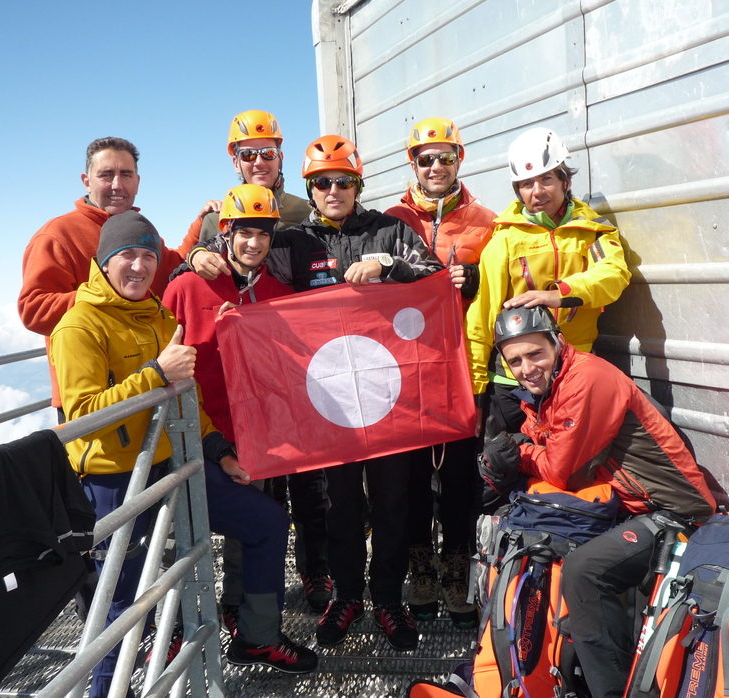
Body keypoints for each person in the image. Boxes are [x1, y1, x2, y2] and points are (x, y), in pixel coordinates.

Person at [50, 211, 317, 697]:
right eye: (126, 255)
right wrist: (156, 372)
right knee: (121, 598)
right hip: (115, 481)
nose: (138, 266)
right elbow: (83, 416)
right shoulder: (78, 326)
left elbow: (184, 396)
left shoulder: (155, 314)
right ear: (104, 262)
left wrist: (220, 451)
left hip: (177, 463)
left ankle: (256, 638)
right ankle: (105, 691)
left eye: (148, 256)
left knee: (266, 523)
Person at [478, 306, 718, 698]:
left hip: (673, 511)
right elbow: (542, 439)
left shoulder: (585, 378)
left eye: (535, 353)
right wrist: (515, 449)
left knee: (582, 570)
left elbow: (560, 468)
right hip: (629, 504)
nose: (527, 368)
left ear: (557, 342)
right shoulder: (552, 386)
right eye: (515, 361)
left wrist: (518, 454)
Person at [264, 134, 442, 653]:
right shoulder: (291, 241)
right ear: (310, 189)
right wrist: (197, 262)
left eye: (343, 181)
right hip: (328, 400)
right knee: (338, 505)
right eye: (322, 183)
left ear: (358, 185)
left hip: (388, 395)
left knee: (392, 502)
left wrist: (390, 267)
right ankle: (347, 595)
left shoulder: (390, 230)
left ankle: (388, 597)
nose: (333, 189)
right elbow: (242, 273)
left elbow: (434, 278)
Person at [162, 184, 331, 631]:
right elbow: (161, 354)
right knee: (184, 532)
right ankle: (180, 624)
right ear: (227, 233)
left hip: (252, 432)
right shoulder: (187, 287)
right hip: (195, 431)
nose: (253, 243)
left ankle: (236, 608)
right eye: (244, 233)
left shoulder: (276, 290)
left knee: (247, 526)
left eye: (263, 234)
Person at [385, 117, 495, 627]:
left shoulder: (487, 223)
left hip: (459, 371)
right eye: (424, 158)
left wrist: (475, 280)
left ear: (459, 159)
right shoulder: (389, 219)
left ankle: (457, 573)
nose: (434, 167)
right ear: (412, 163)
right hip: (403, 375)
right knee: (406, 481)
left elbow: (503, 292)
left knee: (458, 480)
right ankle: (420, 570)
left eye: (444, 157)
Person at [465, 127, 631, 436]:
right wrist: (476, 391)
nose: (537, 191)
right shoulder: (505, 240)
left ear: (565, 182)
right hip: (515, 382)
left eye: (546, 179)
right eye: (526, 184)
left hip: (575, 370)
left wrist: (559, 294)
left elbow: (614, 274)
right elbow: (480, 320)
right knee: (512, 465)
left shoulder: (591, 230)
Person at [19, 137, 187, 420]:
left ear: (138, 181)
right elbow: (33, 310)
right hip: (91, 394)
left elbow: (173, 269)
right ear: (86, 181)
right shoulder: (57, 235)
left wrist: (201, 231)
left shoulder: (141, 232)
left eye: (126, 175)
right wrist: (106, 294)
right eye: (106, 175)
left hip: (152, 379)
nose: (117, 185)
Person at [177, 109, 312, 262]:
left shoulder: (307, 213)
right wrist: (194, 256)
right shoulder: (216, 220)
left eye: (268, 153)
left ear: (280, 158)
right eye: (248, 155)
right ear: (236, 163)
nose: (259, 162)